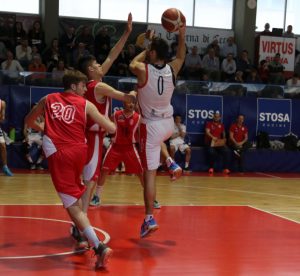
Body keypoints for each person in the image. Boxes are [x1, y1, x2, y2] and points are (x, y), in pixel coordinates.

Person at [24, 70, 115, 269]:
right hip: (80, 151)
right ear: (73, 86)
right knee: (77, 192)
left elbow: (29, 120)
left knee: (71, 205)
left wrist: (45, 129)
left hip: (60, 152)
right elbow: (111, 128)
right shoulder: (87, 105)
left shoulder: (48, 99)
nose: (85, 90)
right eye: (83, 86)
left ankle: (98, 246)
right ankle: (81, 233)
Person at [129, 23, 186, 238]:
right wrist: (182, 34)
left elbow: (132, 62)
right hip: (167, 125)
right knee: (155, 150)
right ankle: (170, 163)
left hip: (151, 126)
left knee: (149, 175)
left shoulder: (143, 69)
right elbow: (181, 55)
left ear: (153, 53)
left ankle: (148, 218)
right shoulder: (173, 69)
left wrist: (145, 45)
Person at [77, 13, 134, 216]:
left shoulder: (93, 83)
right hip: (92, 137)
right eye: (98, 65)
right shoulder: (99, 86)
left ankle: (80, 216)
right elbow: (125, 97)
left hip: (89, 135)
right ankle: (81, 218)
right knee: (89, 178)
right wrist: (136, 93)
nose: (103, 65)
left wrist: (127, 33)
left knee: (88, 177)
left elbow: (113, 54)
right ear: (92, 70)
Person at [90, 99, 161, 209]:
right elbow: (106, 125)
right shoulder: (116, 115)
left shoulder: (138, 118)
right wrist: (102, 135)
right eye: (129, 102)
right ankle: (97, 197)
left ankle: (152, 199)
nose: (131, 104)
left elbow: (141, 133)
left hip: (130, 148)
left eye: (133, 103)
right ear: (124, 103)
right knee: (104, 170)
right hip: (115, 147)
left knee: (141, 173)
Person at [23, 104, 45, 170]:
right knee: (24, 145)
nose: (35, 110)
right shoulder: (28, 117)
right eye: (34, 108)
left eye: (36, 108)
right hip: (30, 135)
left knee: (47, 146)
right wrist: (26, 136)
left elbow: (45, 127)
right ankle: (31, 163)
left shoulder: (41, 117)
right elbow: (24, 129)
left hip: (38, 136)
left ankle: (39, 163)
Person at [0, 99, 13, 176]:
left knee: (3, 145)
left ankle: (5, 167)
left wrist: (1, 116)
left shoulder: (2, 103)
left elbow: (2, 119)